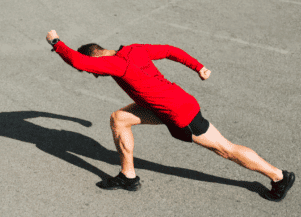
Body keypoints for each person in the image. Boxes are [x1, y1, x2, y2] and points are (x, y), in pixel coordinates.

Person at [46, 30, 295, 202]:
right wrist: (198, 67)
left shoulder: (114, 64)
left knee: (225, 149)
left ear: (97, 56)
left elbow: (79, 62)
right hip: (165, 106)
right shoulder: (134, 50)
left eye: (95, 71)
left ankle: (279, 176)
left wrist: (56, 42)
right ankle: (128, 176)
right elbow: (169, 50)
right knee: (119, 119)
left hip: (180, 113)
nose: (95, 75)